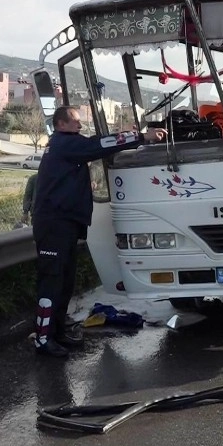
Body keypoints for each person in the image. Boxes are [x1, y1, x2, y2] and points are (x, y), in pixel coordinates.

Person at [30, 106, 166, 358]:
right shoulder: (63, 143)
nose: (80, 127)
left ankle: (57, 332)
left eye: (80, 123)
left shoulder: (65, 145)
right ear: (60, 124)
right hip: (54, 225)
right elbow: (99, 144)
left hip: (66, 224)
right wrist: (142, 137)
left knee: (65, 281)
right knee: (51, 282)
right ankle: (42, 338)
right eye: (75, 123)